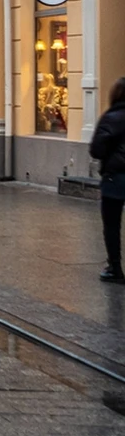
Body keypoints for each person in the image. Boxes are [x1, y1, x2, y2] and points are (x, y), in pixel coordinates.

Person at [91, 77, 125, 283]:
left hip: (115, 178)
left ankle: (115, 267)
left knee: (112, 225)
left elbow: (96, 149)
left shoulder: (110, 118)